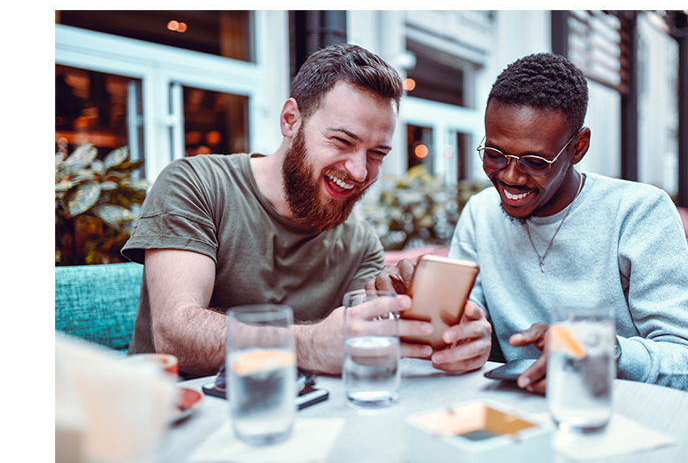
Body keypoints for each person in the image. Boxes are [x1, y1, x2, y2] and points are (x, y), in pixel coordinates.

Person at [122, 43, 490, 378]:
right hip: (168, 423)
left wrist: (437, 339)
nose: (360, 172)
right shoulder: (196, 184)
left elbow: (361, 340)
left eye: (377, 153)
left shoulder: (359, 243)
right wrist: (307, 343)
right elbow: (175, 334)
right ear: (290, 121)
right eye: (342, 141)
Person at [375, 52, 688, 397]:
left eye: (535, 162)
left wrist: (596, 350)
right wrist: (425, 318)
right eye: (494, 155)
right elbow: (466, 325)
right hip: (517, 412)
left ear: (578, 147)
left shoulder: (639, 213)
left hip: (614, 416)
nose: (509, 177)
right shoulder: (481, 213)